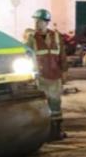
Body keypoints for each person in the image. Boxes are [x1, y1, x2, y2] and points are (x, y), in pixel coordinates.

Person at [24, 9, 68, 140]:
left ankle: (56, 131)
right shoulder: (31, 39)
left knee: (56, 104)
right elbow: (27, 55)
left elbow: (62, 56)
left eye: (40, 21)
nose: (37, 23)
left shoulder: (56, 36)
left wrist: (64, 71)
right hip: (40, 76)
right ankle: (44, 132)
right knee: (42, 104)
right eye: (35, 21)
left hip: (55, 75)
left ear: (46, 22)